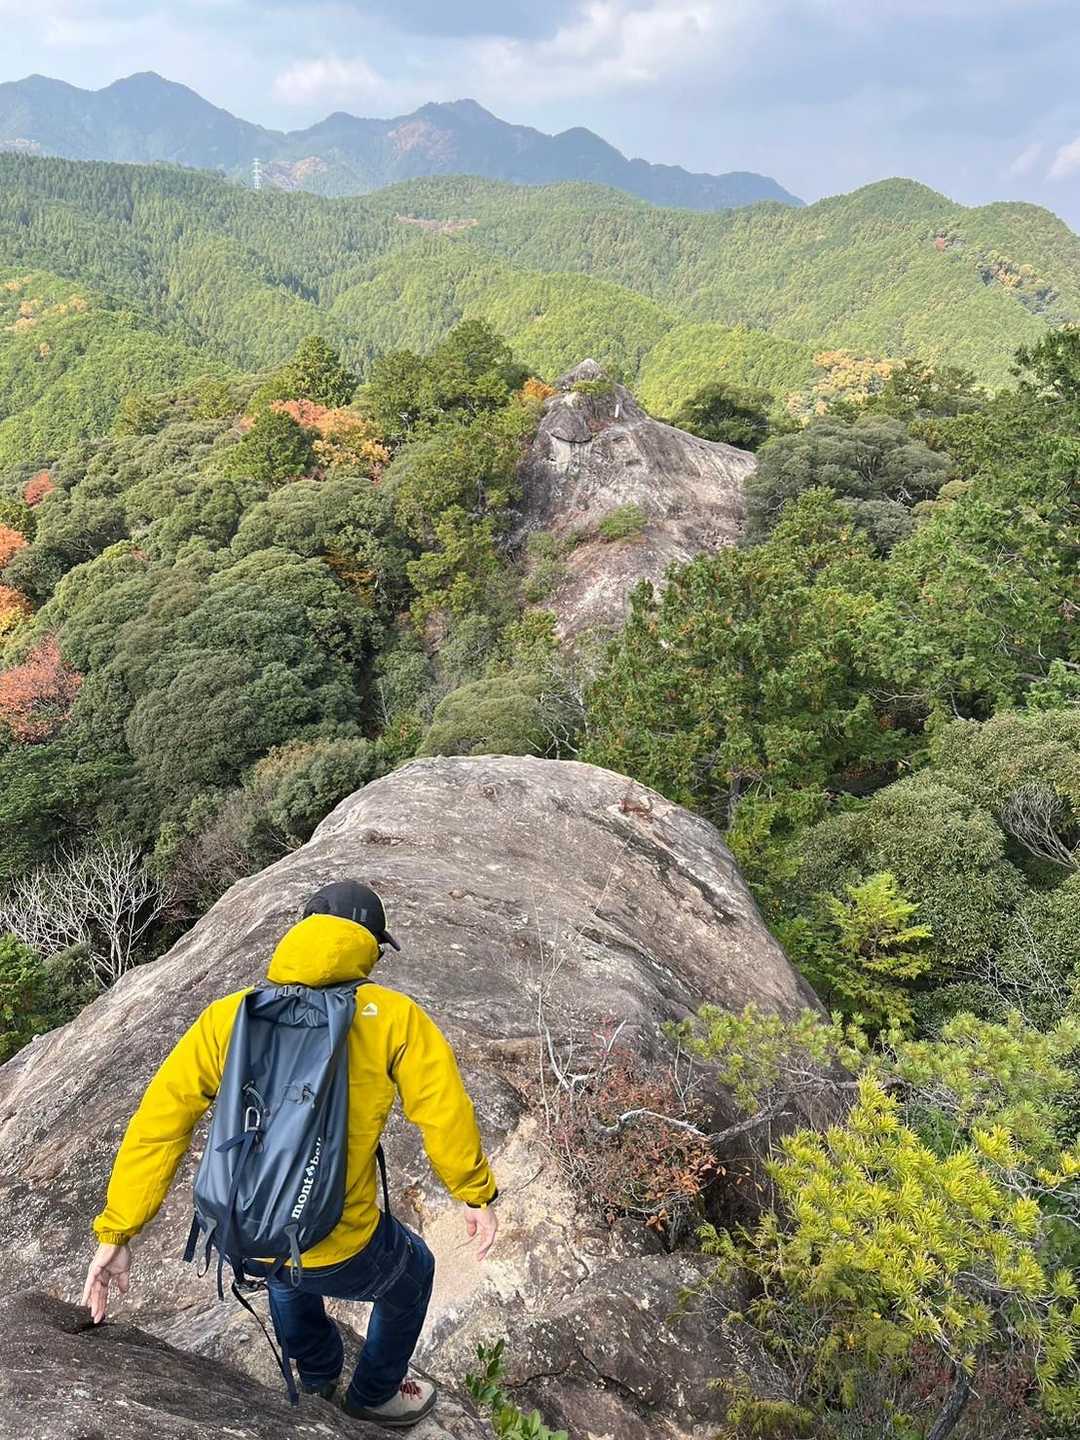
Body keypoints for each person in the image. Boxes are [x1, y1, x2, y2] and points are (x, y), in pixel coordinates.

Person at [81, 880, 499, 1430]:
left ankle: (318, 1372)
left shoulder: (232, 1015)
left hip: (244, 1234)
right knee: (413, 1272)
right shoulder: (394, 1017)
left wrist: (118, 1232)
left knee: (281, 1257)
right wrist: (475, 1195)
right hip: (342, 1243)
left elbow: (158, 1125)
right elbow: (443, 1113)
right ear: (370, 948)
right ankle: (374, 1395)